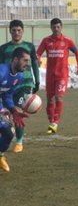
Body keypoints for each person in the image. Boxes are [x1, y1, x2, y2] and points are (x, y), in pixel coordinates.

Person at [0, 19, 40, 153]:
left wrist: (37, 80)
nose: (16, 33)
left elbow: (34, 64)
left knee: (18, 109)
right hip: (6, 83)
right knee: (7, 112)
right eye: (14, 30)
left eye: (19, 30)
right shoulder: (4, 48)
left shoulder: (29, 46)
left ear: (23, 31)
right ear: (10, 31)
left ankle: (19, 141)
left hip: (24, 83)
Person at [36, 18, 78, 134]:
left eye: (58, 27)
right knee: (50, 100)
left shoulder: (67, 41)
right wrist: (38, 60)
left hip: (62, 75)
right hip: (50, 76)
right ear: (51, 28)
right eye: (54, 27)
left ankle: (55, 122)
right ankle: (51, 122)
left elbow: (77, 52)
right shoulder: (46, 41)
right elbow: (38, 53)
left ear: (61, 27)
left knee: (59, 97)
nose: (56, 29)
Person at [0, 47, 30, 172]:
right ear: (15, 59)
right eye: (25, 60)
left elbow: (7, 95)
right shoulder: (1, 72)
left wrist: (13, 110)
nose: (27, 64)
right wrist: (1, 110)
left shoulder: (19, 76)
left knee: (8, 133)